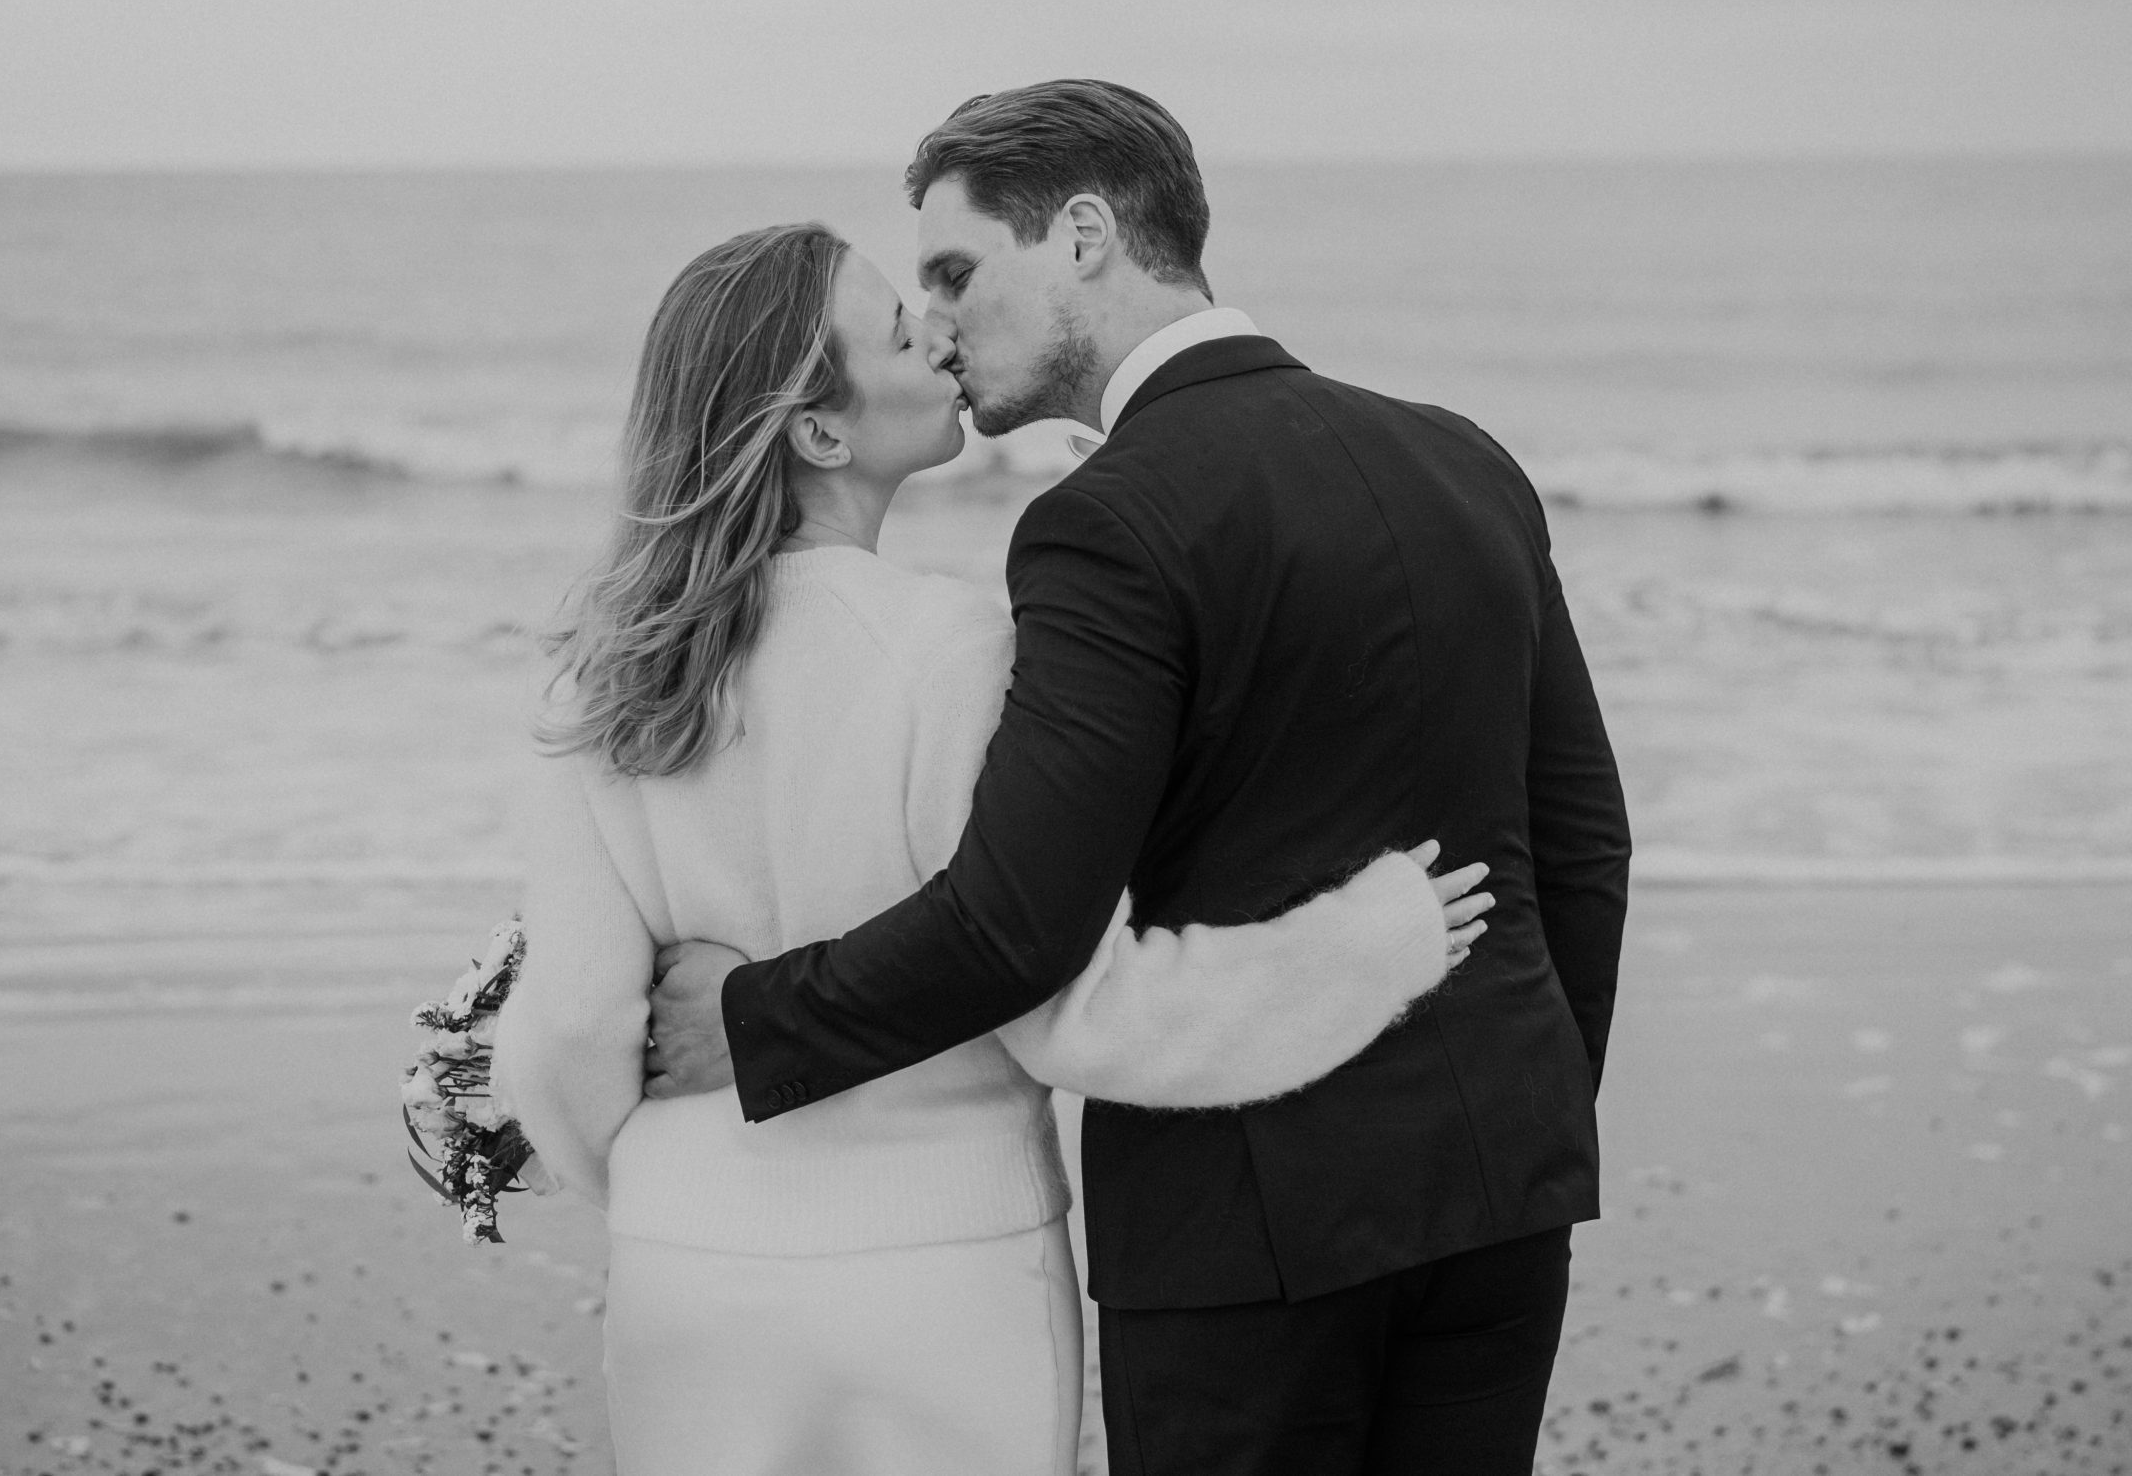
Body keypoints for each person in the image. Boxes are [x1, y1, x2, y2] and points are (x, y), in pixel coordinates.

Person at [643, 83, 1631, 1475]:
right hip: (1506, 1204)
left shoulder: (1106, 524)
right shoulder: (1462, 457)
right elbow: (1584, 843)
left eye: (956, 269)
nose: (932, 321)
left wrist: (750, 1022)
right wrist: (1536, 1108)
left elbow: (1017, 920)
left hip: (1247, 1231)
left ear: (1088, 236)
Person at [488, 219, 1494, 1476]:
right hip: (941, 1273)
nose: (943, 335)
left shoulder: (600, 682)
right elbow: (1071, 1004)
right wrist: (1368, 944)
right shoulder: (950, 650)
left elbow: (574, 1023)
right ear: (821, 430)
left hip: (685, 1268)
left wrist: (661, 1186)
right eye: (905, 329)